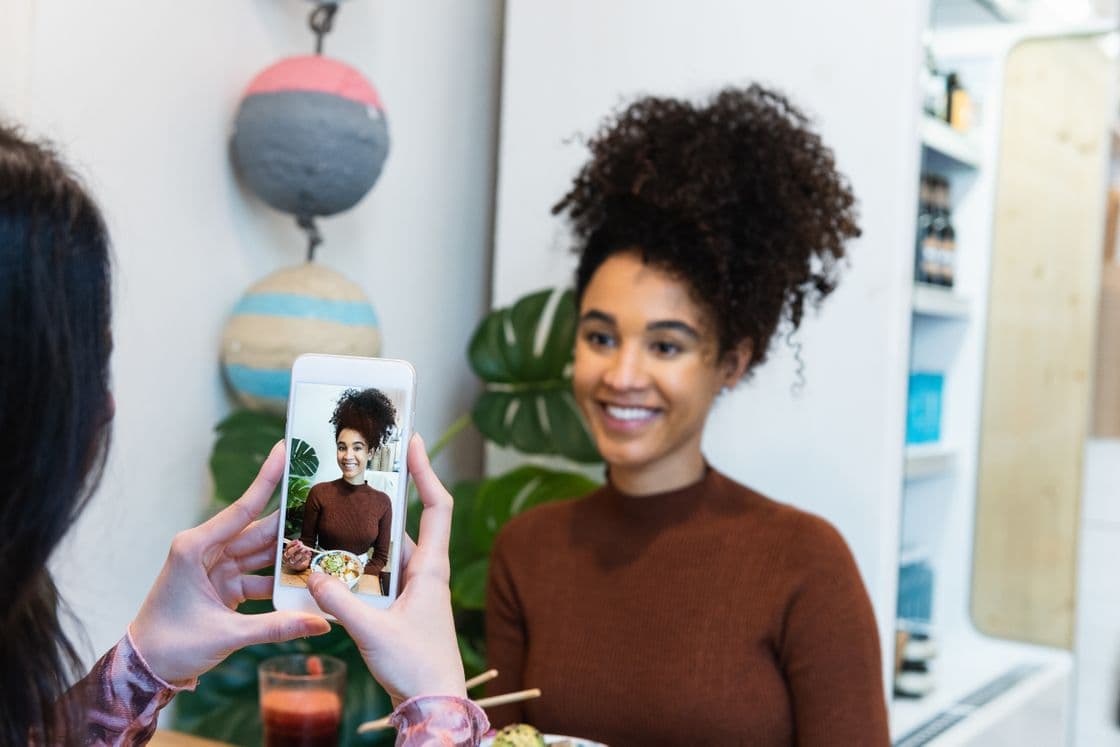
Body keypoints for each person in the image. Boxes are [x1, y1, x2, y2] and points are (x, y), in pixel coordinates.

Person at [0, 123, 487, 746]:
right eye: (88, 366)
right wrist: (439, 709)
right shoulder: (315, 499)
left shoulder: (383, 506)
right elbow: (300, 552)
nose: (105, 407)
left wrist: (142, 667)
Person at [485, 86, 891, 745]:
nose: (621, 375)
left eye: (666, 345)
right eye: (600, 336)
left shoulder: (806, 563)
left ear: (731, 362)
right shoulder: (526, 552)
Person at [284, 388, 397, 579]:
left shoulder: (383, 502)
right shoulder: (319, 493)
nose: (348, 456)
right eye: (342, 447)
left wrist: (352, 577)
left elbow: (380, 558)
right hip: (319, 574)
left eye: (358, 448)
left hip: (358, 578)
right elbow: (307, 544)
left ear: (370, 453)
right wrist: (299, 559)